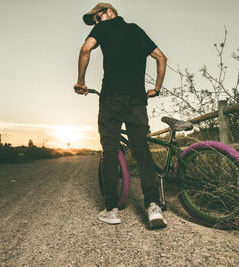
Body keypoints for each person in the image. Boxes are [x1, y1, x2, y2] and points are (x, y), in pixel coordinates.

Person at [74, 3, 168, 228]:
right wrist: (156, 88)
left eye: (97, 18)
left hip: (111, 99)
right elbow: (162, 58)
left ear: (108, 12)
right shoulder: (136, 30)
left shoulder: (104, 29)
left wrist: (81, 81)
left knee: (109, 150)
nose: (96, 23)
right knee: (141, 150)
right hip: (137, 100)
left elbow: (86, 49)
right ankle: (154, 207)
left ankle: (111, 210)